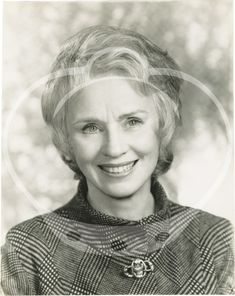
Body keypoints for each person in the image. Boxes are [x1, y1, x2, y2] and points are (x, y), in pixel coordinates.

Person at [1, 25, 234, 295]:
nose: (114, 148)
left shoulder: (216, 242)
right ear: (67, 139)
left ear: (162, 126)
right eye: (90, 127)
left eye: (132, 121)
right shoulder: (27, 253)